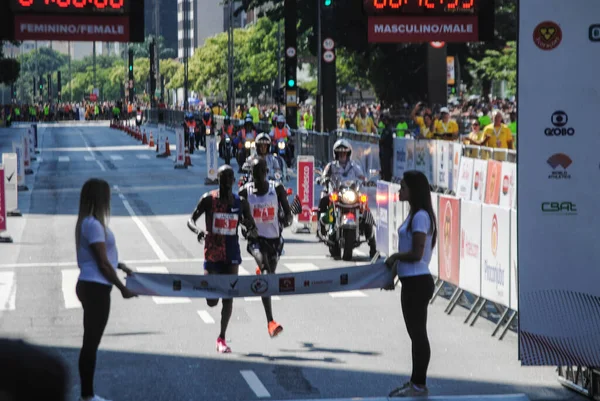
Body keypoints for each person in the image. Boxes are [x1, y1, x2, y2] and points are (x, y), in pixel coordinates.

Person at [75, 178, 137, 401]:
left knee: (91, 341)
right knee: (91, 343)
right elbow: (101, 262)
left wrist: (121, 266)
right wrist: (122, 288)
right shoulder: (92, 224)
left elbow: (102, 257)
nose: (109, 199)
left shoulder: (90, 223)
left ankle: (87, 394)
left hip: (93, 285)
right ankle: (87, 395)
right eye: (107, 195)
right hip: (96, 288)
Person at [187, 165, 258, 353]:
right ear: (218, 180)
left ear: (234, 181)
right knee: (212, 300)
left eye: (229, 178)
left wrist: (250, 228)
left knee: (229, 297)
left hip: (232, 255)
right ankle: (212, 299)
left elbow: (249, 223)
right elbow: (191, 220)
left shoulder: (240, 202)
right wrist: (198, 231)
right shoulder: (208, 200)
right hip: (212, 254)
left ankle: (222, 337)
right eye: (222, 178)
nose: (226, 182)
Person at [384, 170, 437, 398]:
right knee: (415, 334)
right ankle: (416, 382)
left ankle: (418, 384)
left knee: (418, 334)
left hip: (418, 281)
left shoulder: (421, 217)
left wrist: (395, 257)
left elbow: (416, 253)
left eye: (403, 187)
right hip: (410, 281)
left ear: (413, 191)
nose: (399, 191)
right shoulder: (413, 215)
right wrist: (394, 274)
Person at [239, 159, 293, 337]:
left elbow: (288, 215)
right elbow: (241, 220)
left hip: (274, 241)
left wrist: (286, 219)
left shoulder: (276, 189)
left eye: (262, 170)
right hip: (256, 242)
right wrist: (247, 228)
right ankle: (270, 321)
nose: (259, 175)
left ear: (267, 171)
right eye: (255, 171)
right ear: (251, 173)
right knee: (266, 275)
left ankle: (262, 271)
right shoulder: (244, 192)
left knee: (269, 277)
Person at [317, 139, 377, 258]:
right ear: (336, 154)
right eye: (340, 152)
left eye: (344, 152)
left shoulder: (354, 166)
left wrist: (367, 181)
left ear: (348, 153)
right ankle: (321, 227)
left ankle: (373, 246)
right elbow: (324, 175)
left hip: (352, 194)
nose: (342, 154)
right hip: (337, 194)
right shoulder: (331, 166)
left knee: (365, 210)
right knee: (324, 199)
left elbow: (361, 176)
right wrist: (322, 179)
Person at [378, 111, 394, 182]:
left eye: (385, 120)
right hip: (383, 151)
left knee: (386, 168)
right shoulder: (385, 129)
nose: (383, 121)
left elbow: (382, 139)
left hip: (387, 151)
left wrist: (379, 140)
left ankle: (387, 180)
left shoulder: (388, 129)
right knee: (383, 167)